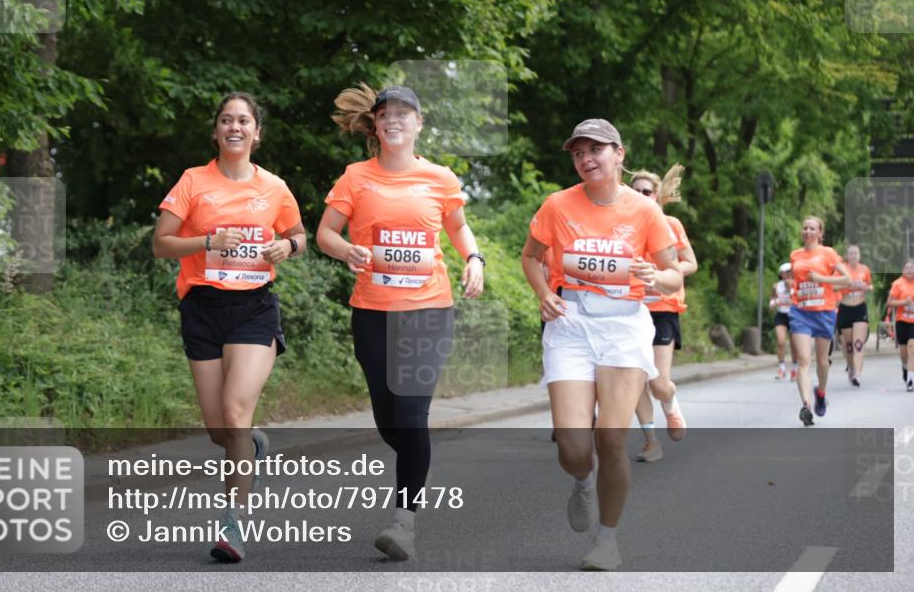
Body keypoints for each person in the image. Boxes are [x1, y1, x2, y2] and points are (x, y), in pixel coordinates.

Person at [316, 83, 484, 560]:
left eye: (403, 113)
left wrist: (474, 258)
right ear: (376, 125)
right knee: (390, 422)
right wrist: (347, 249)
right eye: (385, 114)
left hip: (428, 310)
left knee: (411, 415)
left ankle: (403, 523)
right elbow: (326, 233)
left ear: (418, 124)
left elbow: (457, 225)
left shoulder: (439, 178)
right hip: (372, 312)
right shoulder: (355, 177)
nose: (394, 120)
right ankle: (416, 456)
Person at [152, 92, 306, 563]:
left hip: (254, 309)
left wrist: (288, 248)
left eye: (243, 121)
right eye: (226, 120)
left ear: (257, 133)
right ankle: (252, 445)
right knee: (221, 431)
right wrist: (208, 241)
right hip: (202, 308)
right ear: (216, 131)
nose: (234, 127)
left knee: (236, 413)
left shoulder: (274, 187)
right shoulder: (193, 181)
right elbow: (161, 244)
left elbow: (299, 235)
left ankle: (232, 526)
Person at [521, 118, 681, 570]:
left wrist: (656, 276)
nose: (585, 159)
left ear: (619, 154)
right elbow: (530, 256)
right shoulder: (557, 205)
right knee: (573, 447)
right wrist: (544, 293)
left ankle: (607, 542)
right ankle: (583, 480)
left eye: (595, 150)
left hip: (624, 327)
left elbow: (673, 274)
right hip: (571, 325)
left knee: (610, 438)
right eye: (578, 153)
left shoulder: (646, 211)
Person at [628, 165, 697, 463]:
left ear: (656, 195)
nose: (641, 196)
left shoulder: (670, 224)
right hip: (630, 310)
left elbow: (690, 263)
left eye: (646, 191)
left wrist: (661, 274)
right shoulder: (622, 225)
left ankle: (669, 401)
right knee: (635, 379)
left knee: (657, 382)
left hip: (663, 310)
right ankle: (651, 442)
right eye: (636, 191)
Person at [788, 217, 850, 426]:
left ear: (820, 233)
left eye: (812, 228)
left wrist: (822, 279)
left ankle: (821, 393)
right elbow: (797, 282)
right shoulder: (795, 255)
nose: (807, 231)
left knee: (823, 361)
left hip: (824, 312)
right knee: (803, 359)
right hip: (800, 311)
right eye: (805, 227)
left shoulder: (828, 253)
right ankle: (806, 405)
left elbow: (846, 279)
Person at [835, 245, 873, 386]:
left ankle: (858, 374)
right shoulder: (841, 269)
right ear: (847, 256)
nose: (853, 255)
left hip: (860, 308)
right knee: (849, 345)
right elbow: (833, 287)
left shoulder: (864, 269)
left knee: (858, 343)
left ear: (859, 255)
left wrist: (866, 287)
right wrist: (847, 286)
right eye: (851, 253)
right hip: (845, 308)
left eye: (856, 253)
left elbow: (870, 285)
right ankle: (851, 367)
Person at [886, 258, 914, 392]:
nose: (909, 270)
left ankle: (910, 380)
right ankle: (905, 367)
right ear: (903, 270)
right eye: (907, 268)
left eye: (912, 268)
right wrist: (903, 302)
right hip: (902, 320)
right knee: (903, 352)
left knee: (912, 347)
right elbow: (889, 303)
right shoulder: (898, 284)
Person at [769, 263, 798, 380]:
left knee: (794, 345)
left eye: (790, 272)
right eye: (786, 272)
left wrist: (791, 289)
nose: (789, 274)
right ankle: (782, 368)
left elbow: (798, 298)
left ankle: (795, 369)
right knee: (781, 342)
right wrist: (773, 304)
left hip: (794, 315)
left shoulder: (796, 284)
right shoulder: (776, 286)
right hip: (781, 315)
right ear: (781, 274)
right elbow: (773, 300)